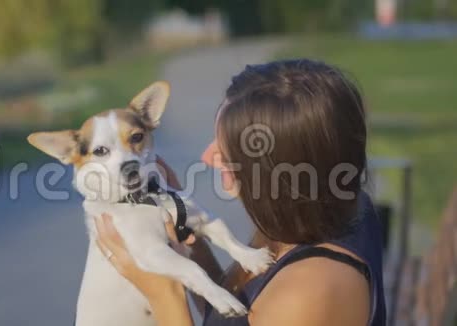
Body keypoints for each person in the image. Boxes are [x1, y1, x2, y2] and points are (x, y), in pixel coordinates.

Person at [94, 59, 386, 325]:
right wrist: (187, 231)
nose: (208, 157)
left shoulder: (310, 288)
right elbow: (232, 315)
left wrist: (164, 293)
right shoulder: (304, 222)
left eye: (226, 150)